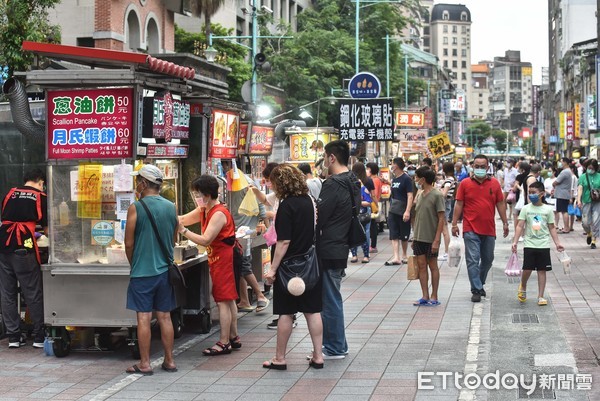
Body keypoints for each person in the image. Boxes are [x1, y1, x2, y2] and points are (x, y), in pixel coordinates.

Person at [262, 165, 324, 370]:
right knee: (313, 311)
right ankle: (318, 356)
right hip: (310, 264)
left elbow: (284, 242)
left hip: (289, 267)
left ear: (281, 183)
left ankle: (280, 358)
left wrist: (272, 269)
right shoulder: (310, 201)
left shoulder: (287, 206)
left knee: (286, 313)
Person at [125, 165, 178, 375]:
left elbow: (128, 244)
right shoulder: (171, 207)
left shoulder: (136, 208)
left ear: (144, 184)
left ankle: (145, 363)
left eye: (138, 180)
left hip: (142, 273)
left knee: (144, 318)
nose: (136, 184)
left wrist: (134, 263)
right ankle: (170, 360)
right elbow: (173, 239)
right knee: (165, 316)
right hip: (165, 271)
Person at [179, 174, 240, 355]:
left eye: (197, 193)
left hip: (225, 260)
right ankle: (234, 336)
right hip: (218, 260)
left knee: (223, 301)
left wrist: (183, 232)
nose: (195, 197)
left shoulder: (218, 213)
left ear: (206, 194)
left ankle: (224, 342)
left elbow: (205, 240)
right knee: (228, 300)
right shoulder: (204, 209)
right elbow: (182, 218)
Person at [316, 140, 360, 359]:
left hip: (330, 248)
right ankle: (335, 344)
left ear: (331, 158)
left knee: (330, 299)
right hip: (341, 245)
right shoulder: (352, 180)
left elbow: (319, 217)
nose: (324, 161)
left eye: (325, 157)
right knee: (332, 297)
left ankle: (334, 347)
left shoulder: (333, 184)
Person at [0, 169, 47, 349]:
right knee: (32, 291)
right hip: (24, 244)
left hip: (4, 244)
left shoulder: (10, 193)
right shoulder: (39, 196)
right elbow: (48, 229)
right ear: (40, 181)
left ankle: (13, 336)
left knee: (7, 292)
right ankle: (39, 335)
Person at [452, 155, 509, 302]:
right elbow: (459, 204)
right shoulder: (464, 184)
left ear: (488, 167)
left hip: (489, 229)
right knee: (472, 259)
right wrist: (453, 224)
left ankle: (480, 282)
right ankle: (476, 289)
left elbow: (500, 204)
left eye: (482, 166)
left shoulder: (495, 184)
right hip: (470, 228)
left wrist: (505, 222)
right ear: (472, 166)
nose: (479, 169)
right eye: (476, 166)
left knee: (488, 259)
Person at [222, 161, 270, 313]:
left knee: (244, 266)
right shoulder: (232, 183)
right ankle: (244, 300)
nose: (223, 171)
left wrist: (268, 230)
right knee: (240, 266)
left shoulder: (246, 184)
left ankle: (260, 295)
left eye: (224, 167)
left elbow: (262, 208)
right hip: (235, 232)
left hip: (245, 233)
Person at [512, 181, 564, 306]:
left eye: (533, 193)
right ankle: (523, 286)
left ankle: (541, 296)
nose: (531, 195)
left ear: (541, 194)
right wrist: (515, 241)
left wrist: (557, 243)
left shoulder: (547, 210)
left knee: (542, 270)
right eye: (529, 193)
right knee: (527, 268)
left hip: (544, 244)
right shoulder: (526, 208)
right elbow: (520, 225)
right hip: (529, 243)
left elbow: (552, 227)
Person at [412, 167, 445, 306]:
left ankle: (434, 295)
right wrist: (414, 237)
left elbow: (441, 218)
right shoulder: (419, 194)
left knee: (433, 266)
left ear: (423, 179)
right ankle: (424, 295)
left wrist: (436, 240)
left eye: (416, 177)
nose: (415, 180)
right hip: (419, 237)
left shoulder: (437, 195)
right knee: (421, 266)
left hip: (431, 238)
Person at [385, 158, 413, 265]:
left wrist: (407, 211)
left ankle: (404, 255)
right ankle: (396, 257)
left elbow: (410, 196)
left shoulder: (406, 179)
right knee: (394, 233)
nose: (391, 166)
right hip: (393, 210)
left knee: (404, 234)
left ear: (396, 166)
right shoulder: (395, 179)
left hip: (403, 210)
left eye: (392, 164)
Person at [349, 162, 373, 264]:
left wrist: (358, 202)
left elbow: (368, 201)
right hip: (355, 213)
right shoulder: (367, 181)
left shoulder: (363, 187)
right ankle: (355, 255)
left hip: (361, 213)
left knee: (363, 233)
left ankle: (365, 255)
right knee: (357, 234)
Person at [576, 159, 600, 249]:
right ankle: (589, 233)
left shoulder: (599, 176)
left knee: (596, 220)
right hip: (586, 201)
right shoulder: (583, 177)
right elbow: (580, 188)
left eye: (592, 168)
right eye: (589, 167)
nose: (590, 169)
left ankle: (594, 240)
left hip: (597, 202)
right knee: (585, 222)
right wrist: (578, 200)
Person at [439, 161, 457, 260]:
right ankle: (447, 252)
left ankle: (447, 252)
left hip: (444, 204)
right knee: (444, 228)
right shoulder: (452, 179)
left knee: (444, 229)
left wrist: (438, 190)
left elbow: (444, 194)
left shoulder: (448, 181)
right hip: (447, 204)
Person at [553, 157, 573, 233]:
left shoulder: (565, 172)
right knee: (564, 210)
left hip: (562, 194)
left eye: (561, 162)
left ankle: (566, 228)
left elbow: (557, 181)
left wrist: (553, 184)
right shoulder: (568, 171)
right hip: (564, 193)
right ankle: (566, 227)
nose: (560, 163)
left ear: (565, 162)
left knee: (564, 211)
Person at [366, 162, 383, 253]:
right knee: (372, 224)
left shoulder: (375, 180)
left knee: (372, 225)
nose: (366, 170)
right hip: (373, 204)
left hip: (372, 204)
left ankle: (373, 246)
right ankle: (372, 245)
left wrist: (375, 205)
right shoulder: (375, 179)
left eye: (367, 168)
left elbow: (374, 194)